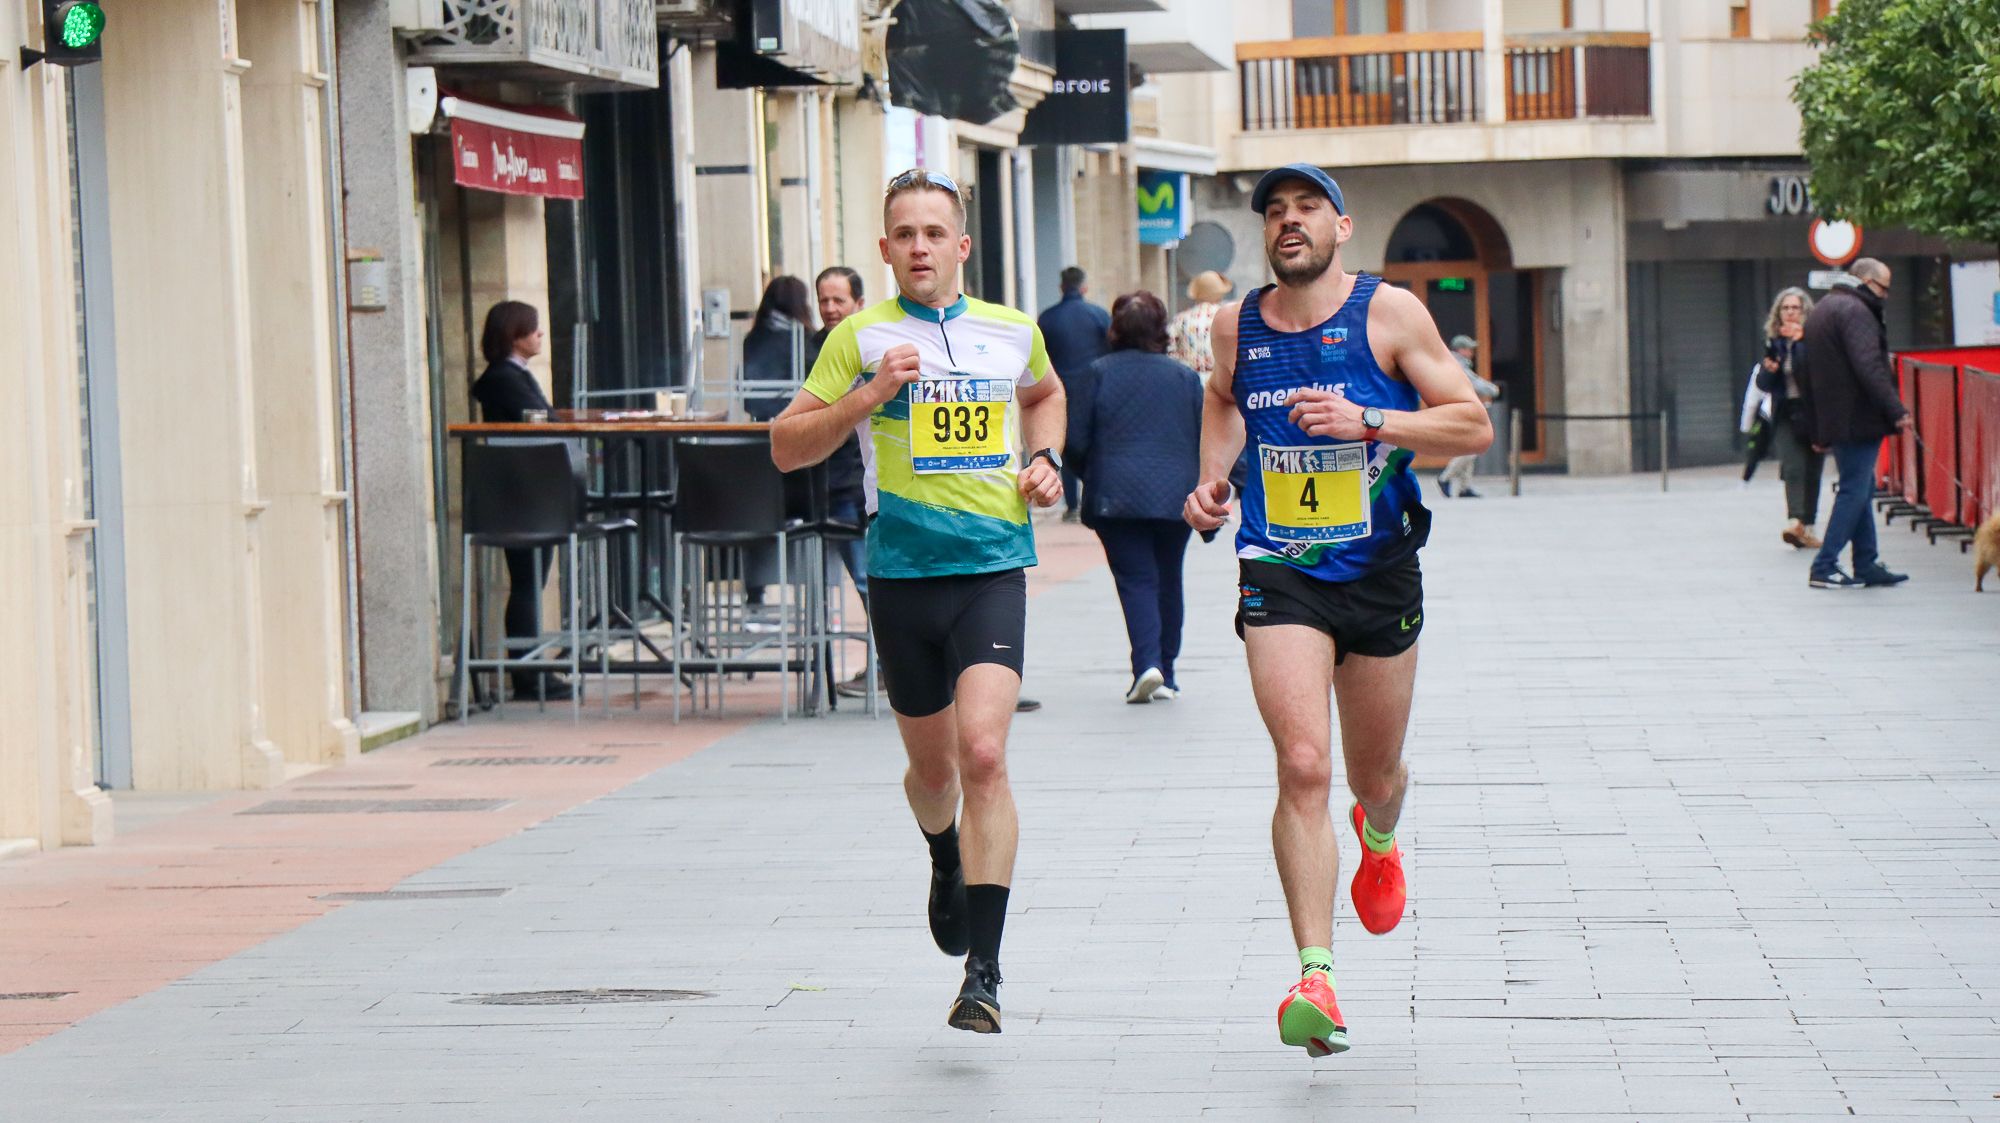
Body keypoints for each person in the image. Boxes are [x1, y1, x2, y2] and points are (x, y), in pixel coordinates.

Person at [1182, 163, 1492, 1058]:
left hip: (1382, 568)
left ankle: (1382, 832)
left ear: (1341, 227)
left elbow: (1471, 422)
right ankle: (1314, 975)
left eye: (1305, 208)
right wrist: (1210, 483)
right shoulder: (1236, 325)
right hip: (1280, 566)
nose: (1288, 222)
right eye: (1274, 211)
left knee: (1373, 773)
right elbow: (1219, 399)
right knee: (1304, 764)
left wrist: (1369, 421)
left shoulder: (1388, 313)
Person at [770, 168, 1068, 1034]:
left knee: (983, 753)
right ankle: (944, 854)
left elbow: (1044, 394)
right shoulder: (858, 338)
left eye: (935, 232)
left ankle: (985, 972)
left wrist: (1046, 460)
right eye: (904, 233)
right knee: (934, 771)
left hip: (992, 568)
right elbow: (786, 446)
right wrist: (868, 396)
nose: (920, 247)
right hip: (900, 577)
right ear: (884, 248)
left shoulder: (1013, 331)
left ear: (962, 245)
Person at [1066, 291, 1203, 704]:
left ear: (1115, 329)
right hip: (1175, 496)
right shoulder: (1184, 377)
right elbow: (1202, 434)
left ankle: (1147, 665)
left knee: (1136, 579)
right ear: (1161, 330)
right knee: (1168, 579)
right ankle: (1168, 671)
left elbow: (1074, 439)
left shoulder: (1097, 373)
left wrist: (1094, 472)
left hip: (1116, 497)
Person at [470, 300, 572, 702]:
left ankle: (532, 669)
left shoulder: (514, 375)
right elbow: (542, 418)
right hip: (520, 494)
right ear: (515, 334)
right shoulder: (502, 378)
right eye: (534, 329)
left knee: (532, 580)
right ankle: (528, 674)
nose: (540, 335)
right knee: (528, 581)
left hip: (529, 491)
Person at [1798, 258, 1911, 589]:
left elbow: (1804, 371)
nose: (1885, 296)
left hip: (1837, 417)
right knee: (1854, 489)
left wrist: (1818, 425)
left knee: (1860, 485)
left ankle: (1866, 562)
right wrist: (1895, 409)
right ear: (1864, 281)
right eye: (1882, 288)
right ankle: (1825, 564)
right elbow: (1869, 366)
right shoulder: (1856, 312)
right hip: (1857, 416)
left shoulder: (1823, 309)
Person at [815, 266, 879, 700]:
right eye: (824, 301)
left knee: (873, 579)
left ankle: (891, 666)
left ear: (859, 303)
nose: (831, 309)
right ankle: (886, 667)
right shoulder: (818, 352)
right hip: (837, 486)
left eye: (839, 300)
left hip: (872, 486)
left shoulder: (875, 347)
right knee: (862, 580)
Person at [1038, 266, 1110, 523]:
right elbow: (1111, 349)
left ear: (1061, 288)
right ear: (1084, 287)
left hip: (1061, 389)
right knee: (1095, 443)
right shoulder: (1098, 315)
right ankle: (1094, 498)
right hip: (1094, 389)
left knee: (1065, 446)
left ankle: (1071, 505)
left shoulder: (1047, 318)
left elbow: (1040, 357)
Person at [1754, 287, 1822, 547]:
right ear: (1778, 314)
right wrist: (1770, 370)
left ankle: (1809, 526)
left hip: (1813, 412)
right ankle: (1795, 521)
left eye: (1796, 308)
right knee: (1793, 466)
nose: (1791, 313)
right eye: (1786, 308)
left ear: (1805, 311)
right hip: (1785, 412)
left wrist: (1800, 343)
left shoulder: (1814, 339)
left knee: (1813, 469)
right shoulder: (1774, 342)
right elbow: (1763, 382)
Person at [1436, 335, 1500, 498]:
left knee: (1470, 446)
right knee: (1470, 448)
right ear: (1461, 350)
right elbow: (1473, 383)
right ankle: (1445, 478)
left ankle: (1465, 487)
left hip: (1459, 408)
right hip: (1459, 410)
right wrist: (1493, 390)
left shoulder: (1454, 363)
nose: (1471, 352)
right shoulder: (1457, 364)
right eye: (1469, 348)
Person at [1168, 270, 1232, 382]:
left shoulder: (1181, 319)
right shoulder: (1228, 317)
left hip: (1188, 380)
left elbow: (1169, 349)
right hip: (1220, 381)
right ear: (1220, 294)